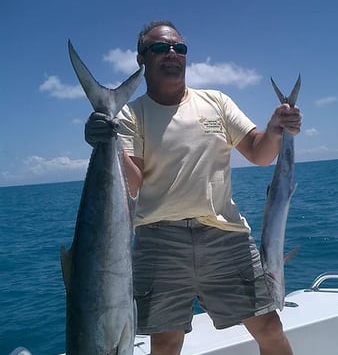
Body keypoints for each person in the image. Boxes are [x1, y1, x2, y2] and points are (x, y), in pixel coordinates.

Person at [85, 20, 302, 355]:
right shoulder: (131, 115)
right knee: (167, 343)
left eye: (178, 48)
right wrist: (108, 141)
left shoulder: (216, 102)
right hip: (160, 239)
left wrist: (276, 128)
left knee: (270, 329)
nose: (171, 54)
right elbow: (133, 182)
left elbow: (260, 153)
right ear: (142, 59)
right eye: (160, 48)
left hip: (224, 233)